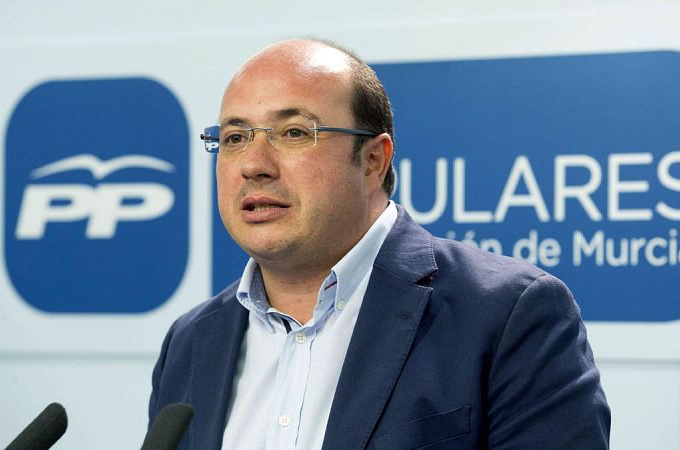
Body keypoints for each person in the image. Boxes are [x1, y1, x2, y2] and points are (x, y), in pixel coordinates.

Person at [148, 38, 610, 449]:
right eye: (234, 137)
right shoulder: (191, 341)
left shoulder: (507, 314)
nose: (254, 165)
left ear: (373, 159)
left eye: (293, 133)